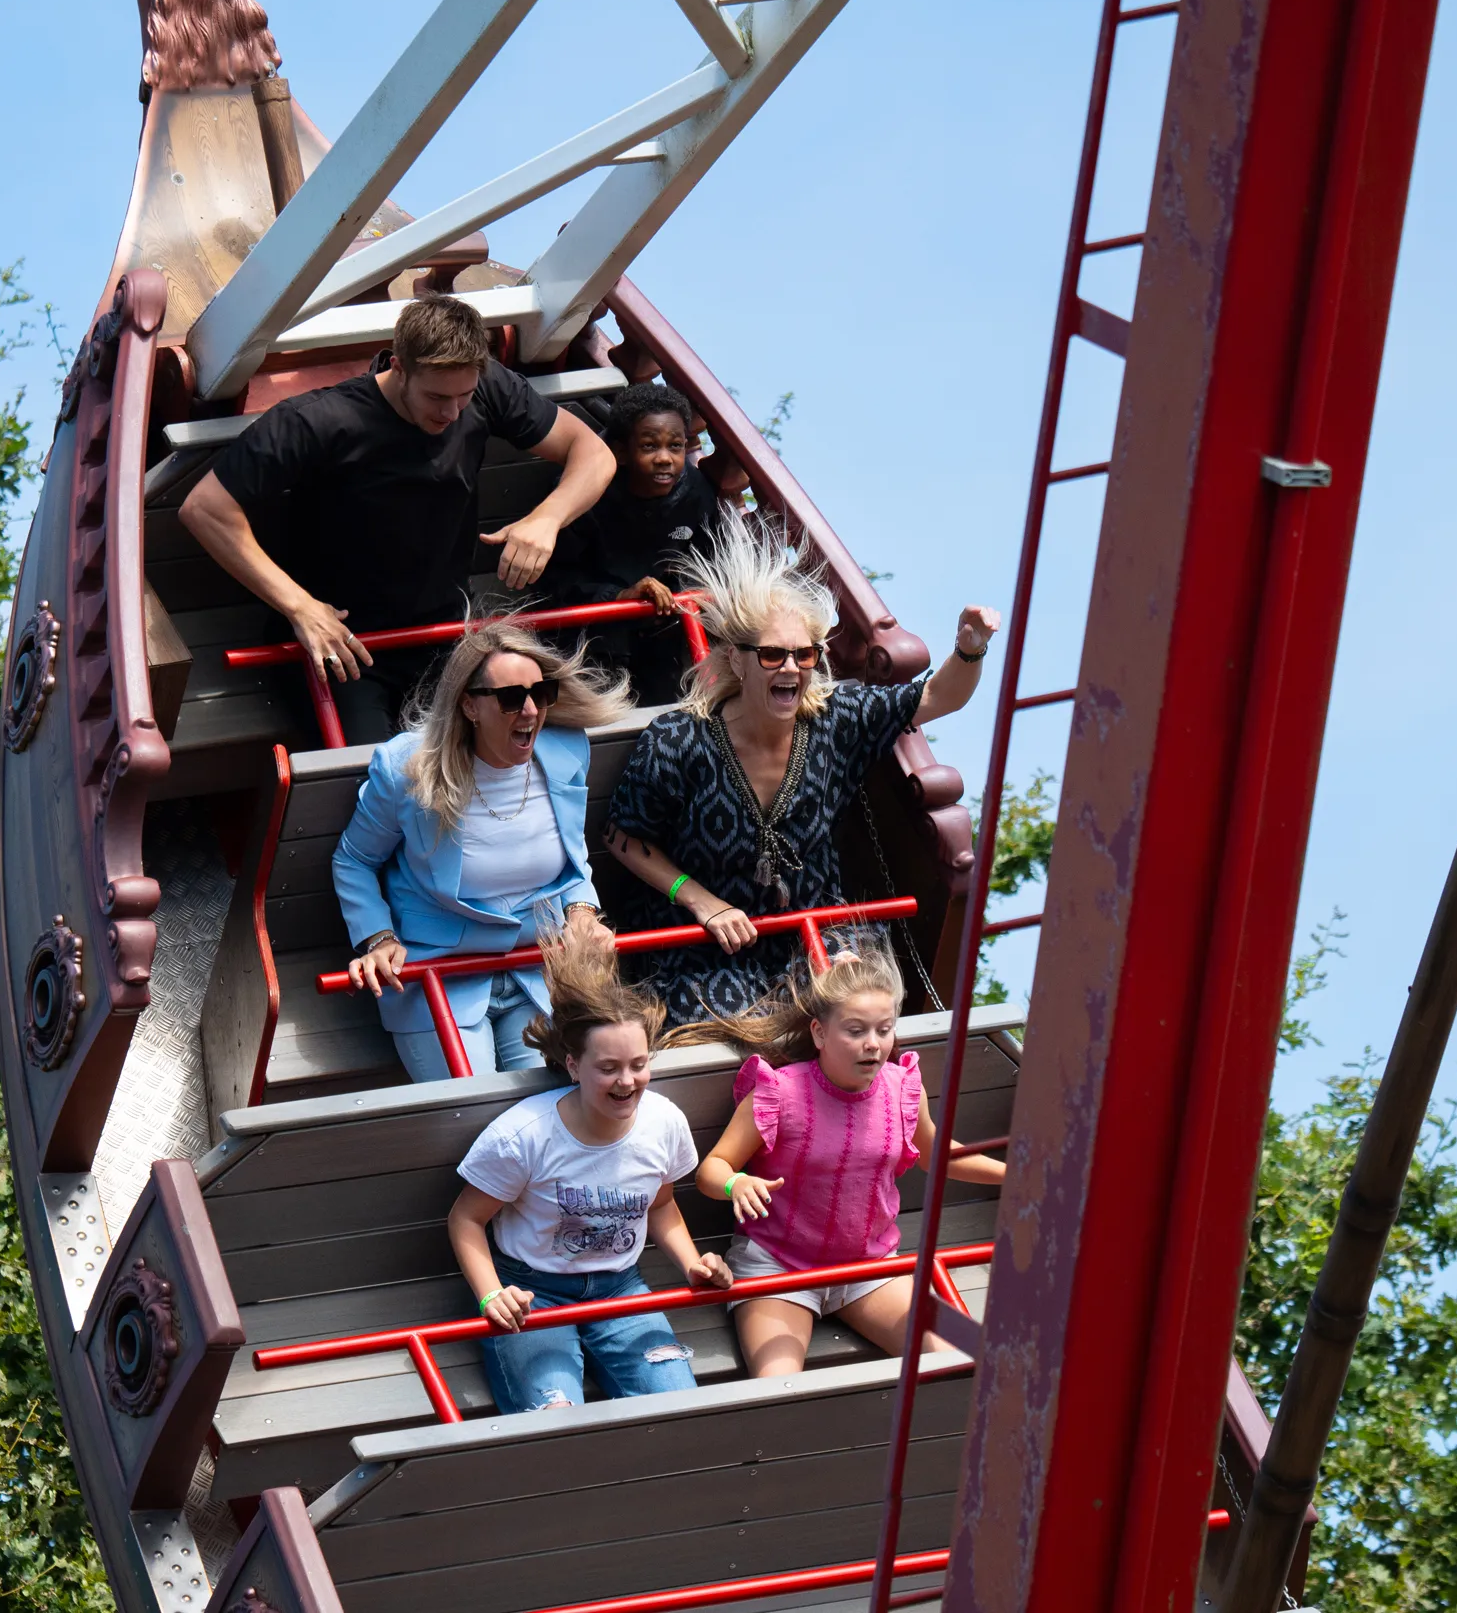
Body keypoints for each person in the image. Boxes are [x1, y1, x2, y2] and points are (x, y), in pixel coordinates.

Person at [601, 515, 1003, 1024]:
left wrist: (970, 649)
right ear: (737, 660)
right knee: (737, 1026)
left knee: (858, 1007)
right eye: (772, 655)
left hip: (811, 928)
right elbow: (622, 837)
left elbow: (937, 697)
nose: (791, 667)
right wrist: (701, 901)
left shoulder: (836, 720)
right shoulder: (679, 740)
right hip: (705, 943)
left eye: (804, 654)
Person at [177, 294, 618, 743]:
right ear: (399, 367)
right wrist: (299, 607)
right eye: (436, 397)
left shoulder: (488, 386)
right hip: (344, 643)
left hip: (443, 632)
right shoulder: (317, 420)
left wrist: (547, 519)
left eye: (464, 396)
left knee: (506, 745)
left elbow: (594, 454)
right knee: (378, 770)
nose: (451, 413)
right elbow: (205, 507)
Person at [677, 948, 1005, 1377]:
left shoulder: (902, 1087)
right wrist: (734, 1183)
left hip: (870, 1268)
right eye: (856, 1030)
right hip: (779, 1266)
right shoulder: (779, 1092)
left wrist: (1013, 1176)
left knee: (968, 1358)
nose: (874, 1044)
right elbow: (712, 1169)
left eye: (884, 1029)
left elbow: (937, 1155)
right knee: (779, 1386)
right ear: (819, 1033)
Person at [448, 932, 734, 1413]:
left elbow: (661, 1205)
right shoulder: (524, 1135)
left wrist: (692, 1265)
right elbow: (466, 1219)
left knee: (678, 1406)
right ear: (573, 1066)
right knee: (554, 1413)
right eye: (609, 1068)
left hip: (620, 1285)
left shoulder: (663, 1122)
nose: (627, 1081)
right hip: (532, 1290)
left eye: (638, 1065)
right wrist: (491, 1295)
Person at [333, 622, 633, 1080]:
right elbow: (354, 860)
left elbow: (573, 859)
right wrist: (379, 938)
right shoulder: (407, 768)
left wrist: (581, 913)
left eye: (541, 693)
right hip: (440, 975)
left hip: (539, 971)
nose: (530, 710)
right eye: (511, 698)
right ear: (469, 705)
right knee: (472, 1108)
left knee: (549, 1104)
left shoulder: (566, 749)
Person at [543, 381, 730, 704]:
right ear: (621, 452)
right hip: (588, 640)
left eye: (675, 446)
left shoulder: (698, 495)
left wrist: (673, 597)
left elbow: (711, 568)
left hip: (663, 639)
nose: (665, 459)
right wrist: (619, 597)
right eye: (649, 446)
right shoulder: (583, 492)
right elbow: (553, 580)